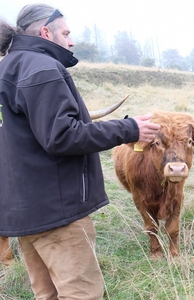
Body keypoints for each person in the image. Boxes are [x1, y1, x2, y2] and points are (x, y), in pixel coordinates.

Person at [0, 4, 161, 299]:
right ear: (46, 32)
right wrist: (129, 129)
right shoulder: (42, 68)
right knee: (81, 294)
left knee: (46, 294)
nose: (71, 41)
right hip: (56, 211)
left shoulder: (6, 68)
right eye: (66, 33)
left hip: (23, 211)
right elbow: (62, 136)